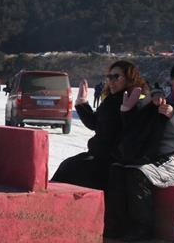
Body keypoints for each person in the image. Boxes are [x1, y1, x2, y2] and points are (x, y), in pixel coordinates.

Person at [104, 58, 174, 242]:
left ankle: (143, 229)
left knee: (137, 174)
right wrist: (155, 95)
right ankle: (117, 225)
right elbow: (146, 108)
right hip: (156, 152)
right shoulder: (172, 96)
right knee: (117, 169)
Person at [51, 61, 149, 190]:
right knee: (67, 166)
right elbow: (96, 124)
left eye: (116, 77)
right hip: (99, 155)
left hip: (114, 160)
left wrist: (127, 112)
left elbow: (133, 133)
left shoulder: (136, 100)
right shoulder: (111, 100)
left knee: (73, 170)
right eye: (109, 77)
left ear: (129, 78)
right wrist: (82, 104)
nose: (111, 81)